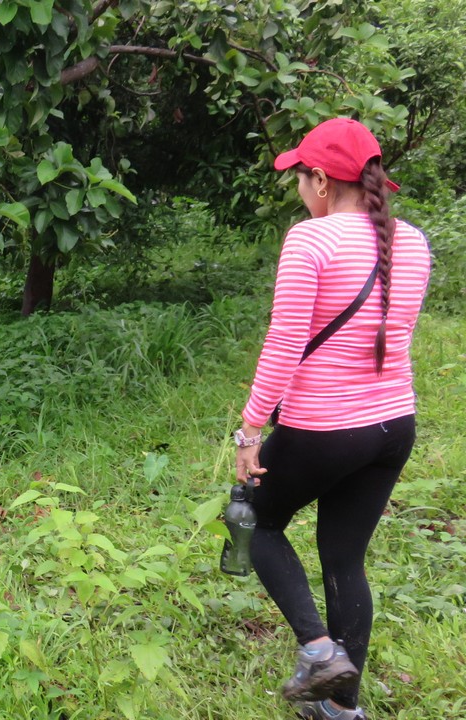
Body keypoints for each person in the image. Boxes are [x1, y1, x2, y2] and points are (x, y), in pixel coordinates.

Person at [234, 118, 431, 720]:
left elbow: (284, 343)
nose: (299, 189)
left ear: (320, 180)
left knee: (255, 522)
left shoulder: (311, 239)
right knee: (345, 560)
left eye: (300, 177)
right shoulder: (412, 240)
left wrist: (250, 429)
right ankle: (342, 710)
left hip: (324, 427)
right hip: (392, 425)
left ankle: (319, 651)